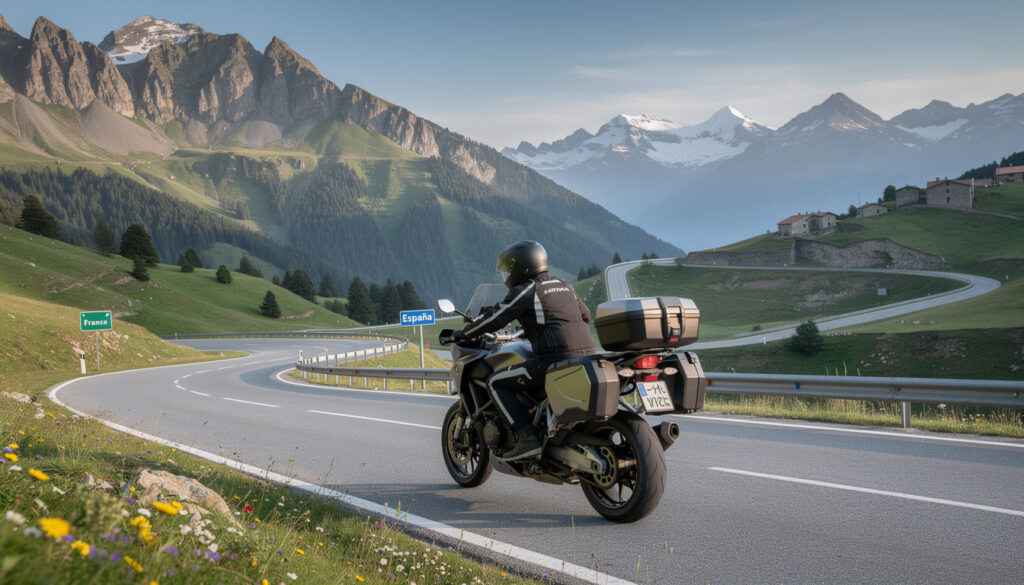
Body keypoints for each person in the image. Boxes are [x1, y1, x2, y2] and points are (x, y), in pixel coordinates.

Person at [454, 241, 595, 460]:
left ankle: (526, 438)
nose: (507, 275)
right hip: (587, 357)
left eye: (509, 269)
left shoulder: (527, 290)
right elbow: (585, 315)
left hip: (552, 361)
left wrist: (464, 333)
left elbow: (496, 317)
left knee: (495, 382)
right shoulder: (563, 285)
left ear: (522, 267)